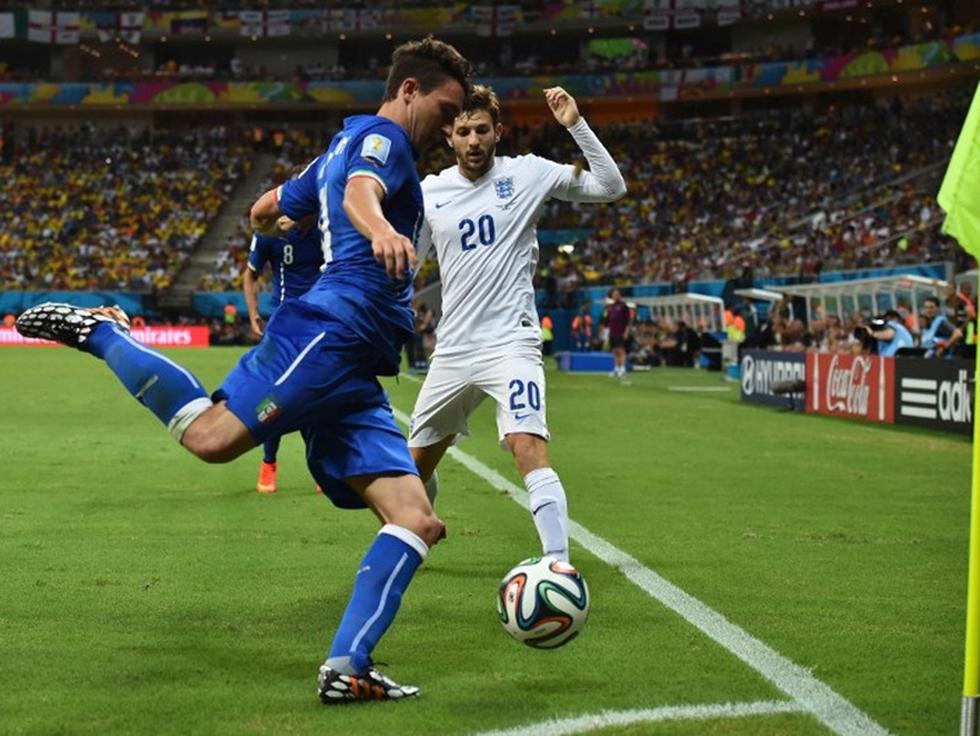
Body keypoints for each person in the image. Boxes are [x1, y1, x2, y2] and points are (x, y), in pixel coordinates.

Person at [16, 37, 472, 704]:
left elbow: (264, 209)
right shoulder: (384, 140)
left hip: (358, 361)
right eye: (445, 106)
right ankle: (105, 333)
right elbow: (361, 192)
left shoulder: (330, 151)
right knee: (211, 438)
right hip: (333, 331)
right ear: (410, 90)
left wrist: (285, 220)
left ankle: (348, 666)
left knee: (415, 516)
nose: (445, 123)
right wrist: (377, 228)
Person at [409, 84, 626, 564]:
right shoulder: (430, 192)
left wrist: (575, 123)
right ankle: (420, 529)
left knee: (526, 445)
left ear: (498, 131)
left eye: (481, 130)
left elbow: (611, 188)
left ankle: (558, 564)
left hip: (513, 343)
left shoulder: (526, 173)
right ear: (449, 136)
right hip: (454, 348)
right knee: (415, 466)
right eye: (463, 131)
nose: (473, 141)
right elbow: (411, 262)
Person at [242, 204, 324, 493]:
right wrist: (253, 313)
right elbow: (250, 274)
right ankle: (268, 463)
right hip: (282, 324)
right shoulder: (270, 233)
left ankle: (321, 468)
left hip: (319, 322)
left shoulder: (329, 229)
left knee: (316, 397)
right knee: (274, 396)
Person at [604, 288, 631, 379]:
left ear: (619, 295)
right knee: (614, 351)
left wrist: (626, 331)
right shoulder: (611, 307)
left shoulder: (623, 306)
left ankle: (623, 369)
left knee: (621, 350)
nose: (615, 296)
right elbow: (607, 321)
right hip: (612, 332)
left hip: (620, 331)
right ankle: (616, 368)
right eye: (613, 294)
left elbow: (628, 320)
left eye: (617, 294)